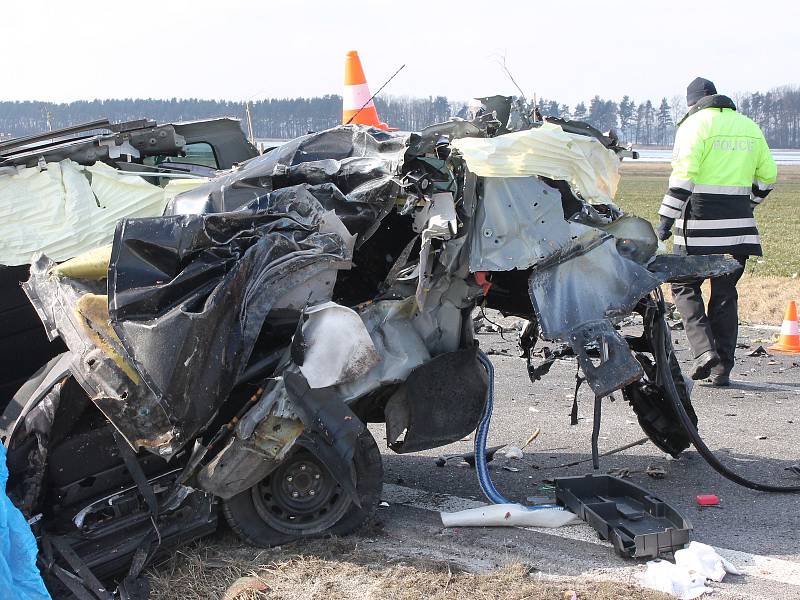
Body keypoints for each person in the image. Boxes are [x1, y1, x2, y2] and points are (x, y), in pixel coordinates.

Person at [656, 77, 777, 386]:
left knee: (684, 285)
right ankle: (723, 368)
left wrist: (665, 220)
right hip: (738, 228)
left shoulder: (693, 126)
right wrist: (747, 205)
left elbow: (684, 177)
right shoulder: (749, 126)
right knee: (725, 294)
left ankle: (703, 352)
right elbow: (768, 177)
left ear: (693, 103)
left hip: (698, 225)